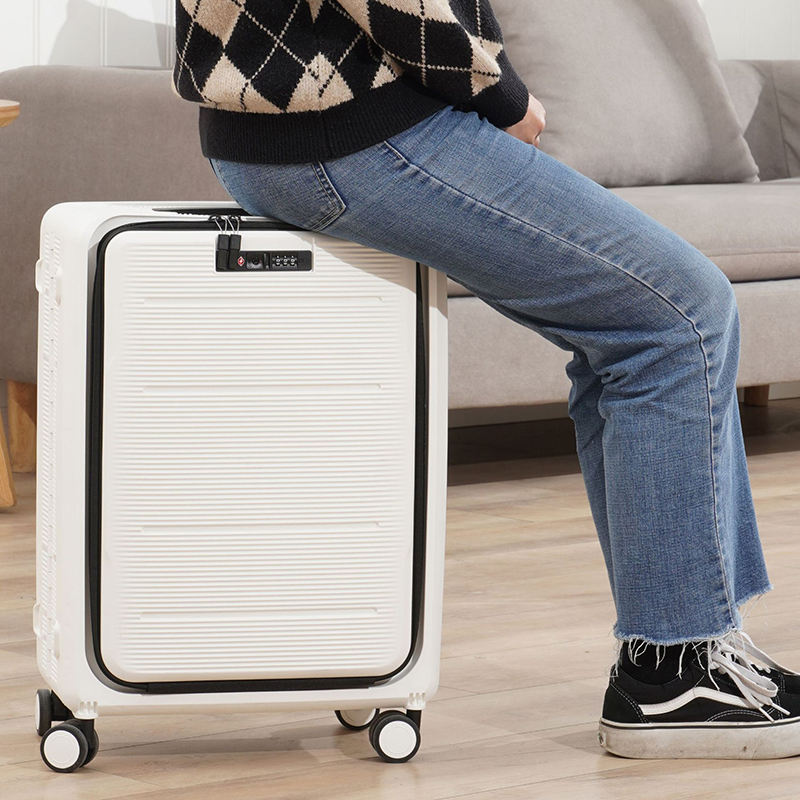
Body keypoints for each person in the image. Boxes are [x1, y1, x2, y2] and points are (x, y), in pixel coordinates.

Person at [173, 0, 800, 759]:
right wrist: (498, 94)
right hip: (359, 128)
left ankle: (686, 649)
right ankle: (678, 666)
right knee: (683, 314)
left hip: (282, 129)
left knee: (638, 326)